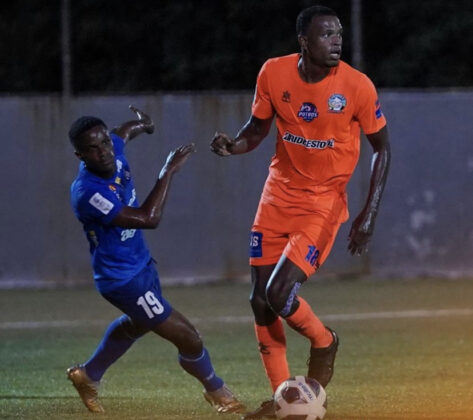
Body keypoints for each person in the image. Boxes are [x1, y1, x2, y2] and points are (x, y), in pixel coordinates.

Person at [210, 5, 390, 419]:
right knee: (260, 302)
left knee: (278, 294)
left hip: (323, 204)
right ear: (304, 42)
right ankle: (282, 400)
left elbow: (383, 148)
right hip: (277, 196)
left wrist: (369, 213)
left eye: (339, 33)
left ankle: (324, 340)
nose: (336, 41)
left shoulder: (357, 86)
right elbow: (257, 128)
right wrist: (234, 145)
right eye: (326, 34)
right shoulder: (273, 73)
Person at [67, 105, 245, 415]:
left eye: (104, 142)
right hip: (122, 280)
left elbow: (124, 132)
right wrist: (167, 172)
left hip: (141, 266)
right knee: (189, 338)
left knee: (138, 324)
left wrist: (144, 124)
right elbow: (149, 218)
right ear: (80, 156)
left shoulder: (113, 147)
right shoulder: (88, 193)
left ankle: (88, 374)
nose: (104, 151)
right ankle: (218, 392)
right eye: (92, 149)